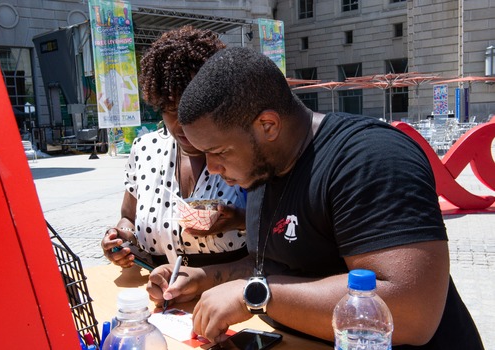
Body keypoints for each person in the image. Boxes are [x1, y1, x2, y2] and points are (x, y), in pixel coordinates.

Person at [146, 47, 484, 349]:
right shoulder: (263, 167)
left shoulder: (370, 158)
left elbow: (413, 311)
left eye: (219, 152)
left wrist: (255, 296)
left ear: (267, 125)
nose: (213, 168)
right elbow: (280, 263)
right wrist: (208, 278)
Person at [101, 27, 248, 269]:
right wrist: (120, 237)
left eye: (195, 109)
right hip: (162, 296)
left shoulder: (245, 150)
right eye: (170, 110)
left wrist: (239, 221)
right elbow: (128, 217)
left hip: (230, 296)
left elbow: (278, 225)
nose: (183, 123)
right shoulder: (145, 150)